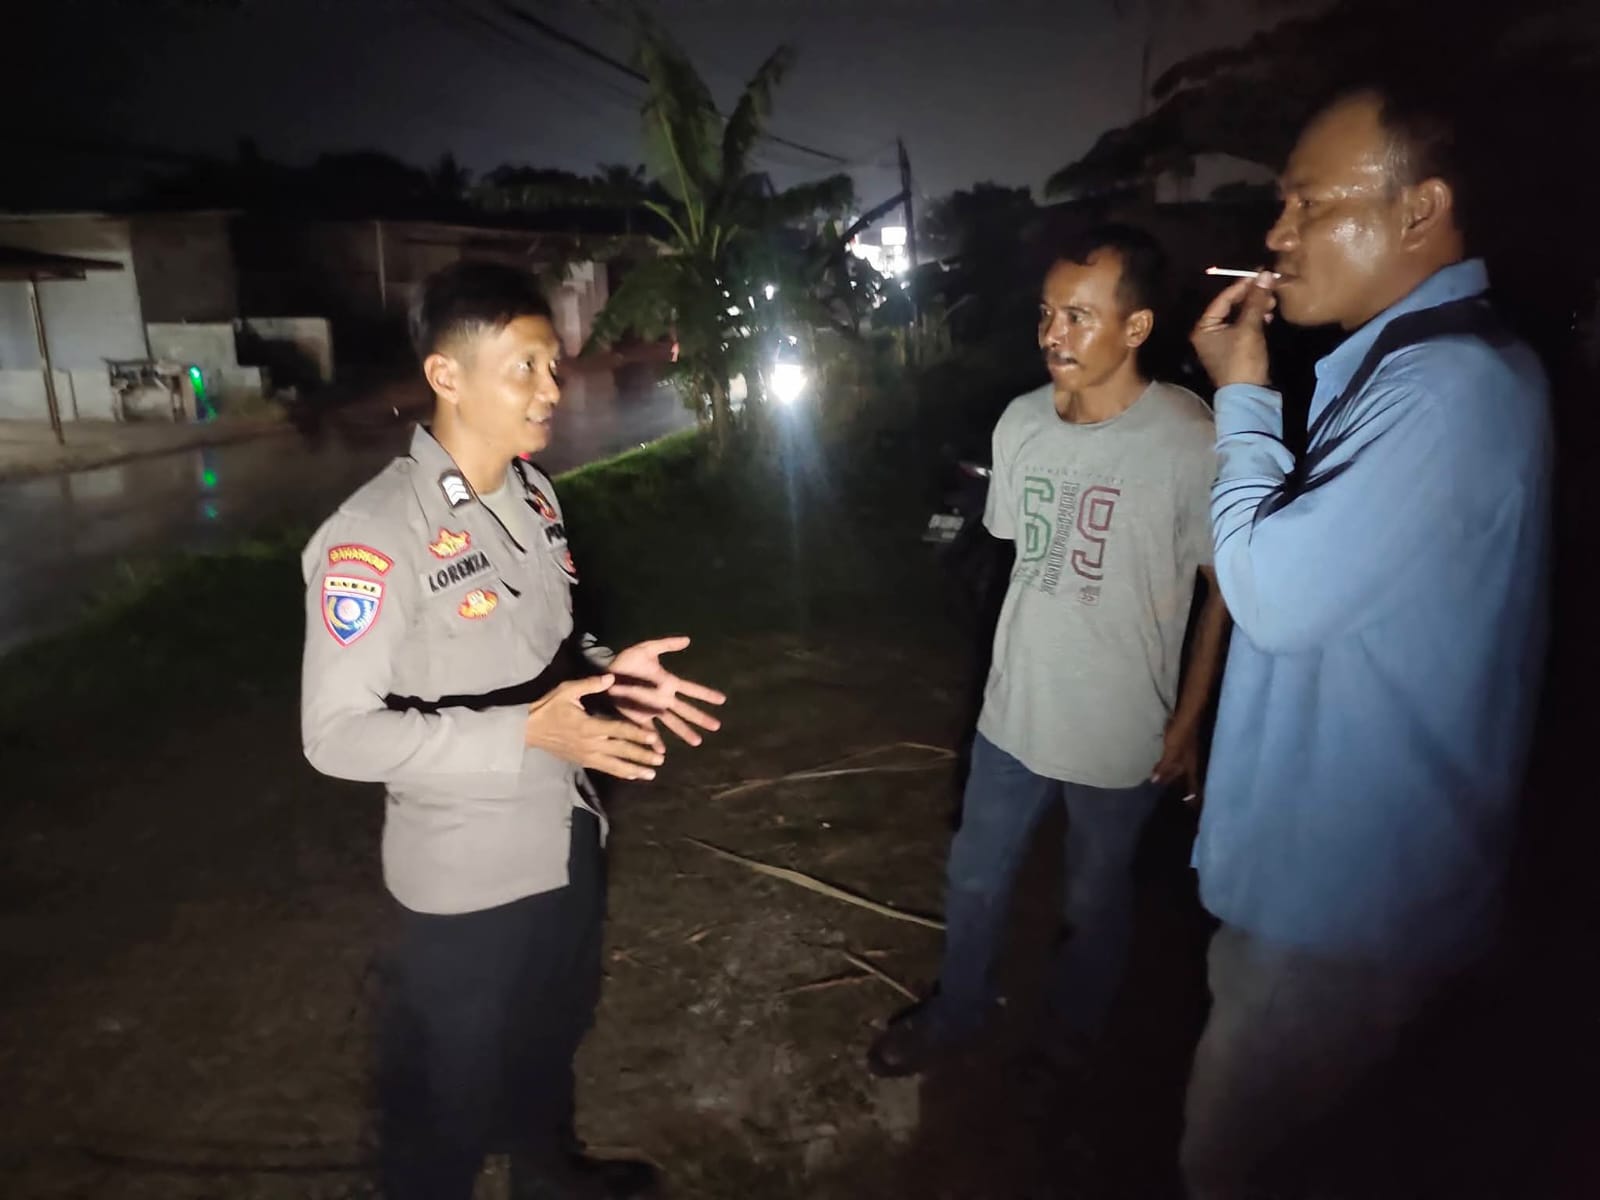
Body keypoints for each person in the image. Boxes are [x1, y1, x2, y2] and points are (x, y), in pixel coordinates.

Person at [1181, 83, 1552, 1197]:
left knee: (1238, 1169)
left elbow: (1271, 593)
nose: (1276, 234)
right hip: (1341, 886)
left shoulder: (1445, 388)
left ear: (1417, 210)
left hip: (1346, 905)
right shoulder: (1414, 369)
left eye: (1308, 204)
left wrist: (1243, 400)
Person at [300, 261, 726, 1200]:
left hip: (566, 826)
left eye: (551, 365)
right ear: (446, 376)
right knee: (444, 1108)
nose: (551, 388)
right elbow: (335, 735)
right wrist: (525, 735)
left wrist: (613, 671)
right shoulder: (374, 536)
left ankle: (547, 1174)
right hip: (467, 880)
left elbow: (548, 645)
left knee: (552, 1028)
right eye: (524, 367)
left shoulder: (534, 496)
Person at [869, 225, 1231, 1076]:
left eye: (1077, 316)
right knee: (975, 876)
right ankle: (959, 1010)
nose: (1052, 334)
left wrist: (1188, 722)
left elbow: (1223, 590)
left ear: (1135, 327)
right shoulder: (1021, 422)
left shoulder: (1189, 437)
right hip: (1015, 711)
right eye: (1045, 313)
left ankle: (1074, 1029)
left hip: (1122, 727)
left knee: (1094, 895)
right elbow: (1023, 558)